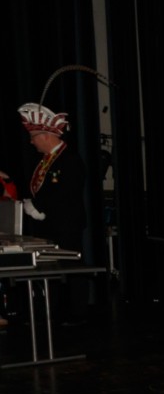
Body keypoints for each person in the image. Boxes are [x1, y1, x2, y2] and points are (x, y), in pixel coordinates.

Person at [17, 102, 90, 322]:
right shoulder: (45, 160)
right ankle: (55, 312)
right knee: (52, 270)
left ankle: (77, 313)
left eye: (33, 137)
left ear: (46, 136)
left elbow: (65, 192)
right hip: (48, 226)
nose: (31, 141)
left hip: (66, 225)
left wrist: (39, 206)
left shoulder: (70, 159)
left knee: (71, 268)